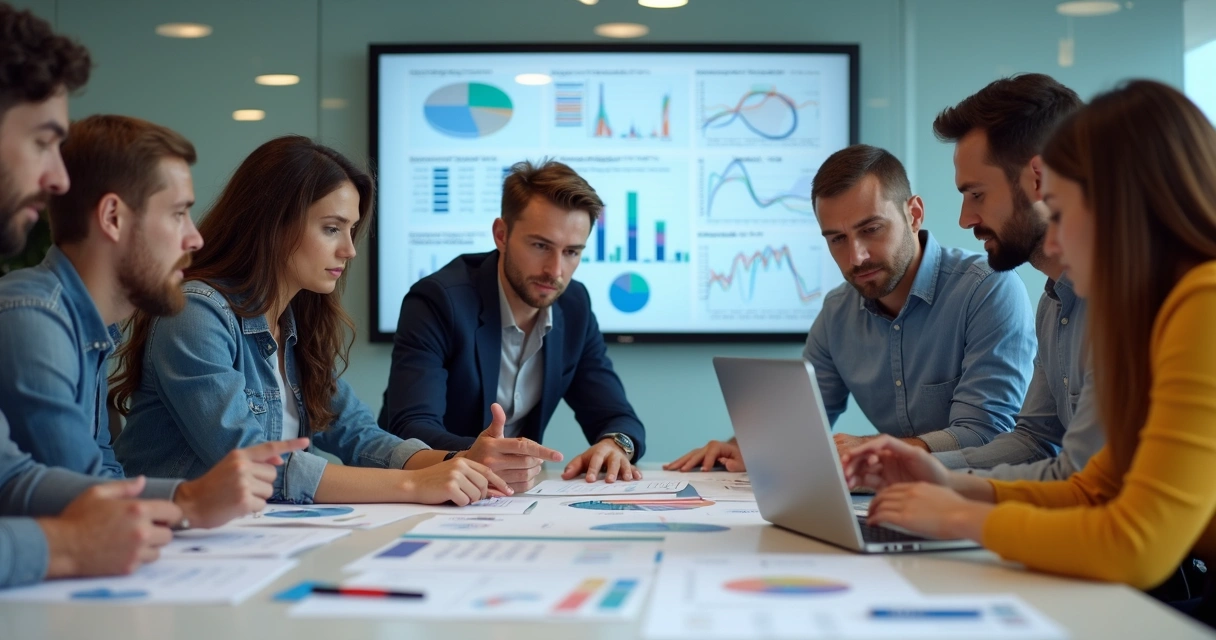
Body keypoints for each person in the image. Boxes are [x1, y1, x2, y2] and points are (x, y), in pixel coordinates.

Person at [841, 82, 1216, 626]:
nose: (1055, 243)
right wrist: (948, 484)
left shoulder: (1203, 301)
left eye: (1060, 212)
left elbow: (1136, 544)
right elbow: (1095, 488)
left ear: (1121, 203)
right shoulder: (1152, 309)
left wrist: (961, 518)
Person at [0, 3, 296, 588]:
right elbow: (76, 501)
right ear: (113, 216)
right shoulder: (33, 317)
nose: (196, 237)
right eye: (41, 141)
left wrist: (185, 499)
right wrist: (180, 504)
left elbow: (18, 478)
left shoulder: (92, 329)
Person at [113, 135, 510, 506]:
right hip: (173, 543)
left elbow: (360, 435)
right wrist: (415, 485)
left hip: (254, 538)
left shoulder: (292, 323)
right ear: (273, 224)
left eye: (351, 230)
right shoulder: (196, 315)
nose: (350, 250)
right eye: (331, 229)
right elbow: (255, 466)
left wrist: (461, 461)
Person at [668, 145, 1035, 472]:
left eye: (872, 229)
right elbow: (801, 425)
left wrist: (875, 451)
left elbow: (987, 435)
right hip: (891, 500)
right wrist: (739, 448)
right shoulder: (837, 312)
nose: (856, 256)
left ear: (915, 214)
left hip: (978, 503)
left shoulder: (986, 289)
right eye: (837, 239)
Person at [379, 159, 646, 486]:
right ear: (501, 235)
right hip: (425, 487)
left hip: (512, 498)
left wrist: (616, 444)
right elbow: (410, 427)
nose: (556, 270)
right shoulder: (438, 301)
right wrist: (479, 455)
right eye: (541, 246)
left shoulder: (574, 305)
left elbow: (617, 416)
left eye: (572, 252)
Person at [930, 73, 1102, 479]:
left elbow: (1079, 475)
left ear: (1038, 179)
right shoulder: (1051, 305)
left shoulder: (1124, 300)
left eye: (977, 195)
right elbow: (1035, 440)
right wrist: (915, 469)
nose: (965, 219)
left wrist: (939, 483)